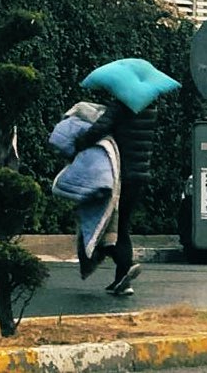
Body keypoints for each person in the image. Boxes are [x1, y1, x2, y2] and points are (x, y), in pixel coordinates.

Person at [73, 97, 157, 296]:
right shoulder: (150, 106)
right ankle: (122, 281)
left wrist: (81, 142)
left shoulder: (121, 105)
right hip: (140, 175)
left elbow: (100, 128)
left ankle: (124, 263)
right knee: (122, 225)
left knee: (107, 224)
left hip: (119, 173)